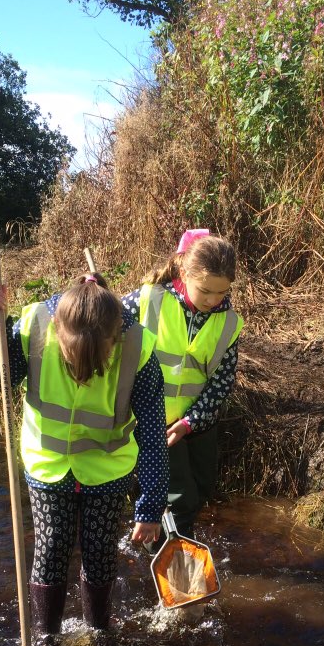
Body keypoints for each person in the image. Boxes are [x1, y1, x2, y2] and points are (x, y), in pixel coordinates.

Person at [0, 272, 169, 635]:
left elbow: (153, 432)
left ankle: (99, 634)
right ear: (58, 334)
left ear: (115, 338)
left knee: (99, 557)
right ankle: (46, 639)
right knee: (50, 553)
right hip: (47, 465)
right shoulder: (34, 327)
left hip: (108, 470)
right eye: (71, 358)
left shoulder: (137, 348)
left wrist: (151, 504)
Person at [122, 229, 243, 548]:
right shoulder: (147, 300)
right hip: (151, 421)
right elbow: (105, 330)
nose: (213, 301)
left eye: (222, 293)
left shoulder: (228, 322)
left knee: (201, 489)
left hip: (196, 424)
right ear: (184, 272)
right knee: (180, 497)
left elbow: (221, 381)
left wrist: (191, 422)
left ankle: (165, 544)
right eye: (205, 291)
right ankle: (171, 559)